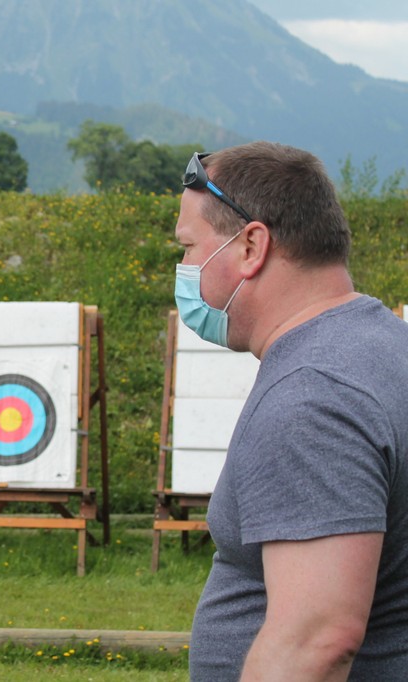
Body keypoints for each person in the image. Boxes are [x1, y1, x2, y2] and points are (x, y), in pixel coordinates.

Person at [176, 141, 408, 680]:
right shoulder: (387, 346)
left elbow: (317, 642)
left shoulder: (313, 397)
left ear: (251, 245)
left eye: (187, 248)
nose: (183, 269)